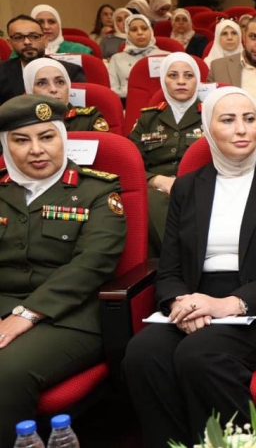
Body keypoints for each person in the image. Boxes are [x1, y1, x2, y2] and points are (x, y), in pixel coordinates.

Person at [122, 86, 256, 448]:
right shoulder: (187, 188)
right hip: (195, 300)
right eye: (228, 120)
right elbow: (169, 267)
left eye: (249, 119)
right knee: (143, 355)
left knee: (199, 355)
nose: (242, 129)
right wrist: (180, 303)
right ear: (207, 129)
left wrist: (227, 305)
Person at [0, 94, 126, 447]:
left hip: (70, 317)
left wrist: (27, 313)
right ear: (6, 146)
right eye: (21, 140)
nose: (36, 150)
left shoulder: (97, 190)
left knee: (6, 371)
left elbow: (93, 263)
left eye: (47, 137)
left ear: (63, 137)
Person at [128, 53, 205, 256]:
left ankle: (174, 260)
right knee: (150, 201)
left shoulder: (211, 115)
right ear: (164, 80)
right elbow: (128, 164)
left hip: (198, 189)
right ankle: (180, 259)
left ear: (197, 80)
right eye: (173, 75)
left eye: (188, 75)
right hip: (156, 191)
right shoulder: (148, 118)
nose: (181, 81)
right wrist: (155, 180)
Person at [0, 16, 86, 104]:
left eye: (34, 36)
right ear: (10, 44)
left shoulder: (71, 71)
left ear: (45, 41)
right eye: (18, 37)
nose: (27, 42)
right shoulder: (1, 72)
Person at [23, 58, 109, 132]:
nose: (53, 89)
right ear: (30, 90)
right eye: (42, 83)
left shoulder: (90, 120)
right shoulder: (21, 122)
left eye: (60, 82)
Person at [108, 15, 169, 99]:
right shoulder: (116, 59)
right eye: (134, 30)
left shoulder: (166, 57)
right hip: (128, 101)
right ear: (128, 34)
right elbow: (112, 90)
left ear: (151, 31)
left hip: (161, 101)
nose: (140, 33)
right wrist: (135, 92)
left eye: (144, 28)